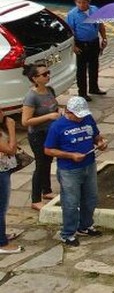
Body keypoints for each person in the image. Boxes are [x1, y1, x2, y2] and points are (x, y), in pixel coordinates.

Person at [43, 96, 108, 247]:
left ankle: (85, 225)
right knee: (71, 202)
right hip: (69, 170)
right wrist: (70, 155)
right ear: (68, 112)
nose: (80, 118)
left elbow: (96, 136)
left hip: (89, 165)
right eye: (77, 116)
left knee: (91, 197)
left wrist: (100, 143)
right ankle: (68, 233)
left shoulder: (88, 119)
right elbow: (48, 150)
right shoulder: (57, 126)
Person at [21, 64, 60, 211]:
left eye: (48, 73)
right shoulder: (31, 97)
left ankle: (47, 190)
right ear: (35, 79)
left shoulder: (50, 91)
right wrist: (48, 116)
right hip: (37, 135)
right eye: (44, 74)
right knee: (41, 164)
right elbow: (25, 121)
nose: (48, 76)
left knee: (48, 160)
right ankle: (35, 199)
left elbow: (54, 107)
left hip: (50, 132)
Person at [65, 0, 106, 100]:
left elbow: (101, 24)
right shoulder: (72, 14)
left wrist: (104, 38)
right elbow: (70, 32)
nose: (81, 5)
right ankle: (82, 92)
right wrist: (73, 46)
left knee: (94, 66)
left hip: (94, 42)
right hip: (81, 44)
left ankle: (94, 87)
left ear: (89, 2)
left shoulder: (95, 9)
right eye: (79, 2)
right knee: (81, 70)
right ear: (75, 2)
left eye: (84, 2)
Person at [0, 112, 21, 254]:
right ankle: (2, 243)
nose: (3, 113)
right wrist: (12, 128)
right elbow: (11, 149)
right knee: (1, 208)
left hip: (4, 169)